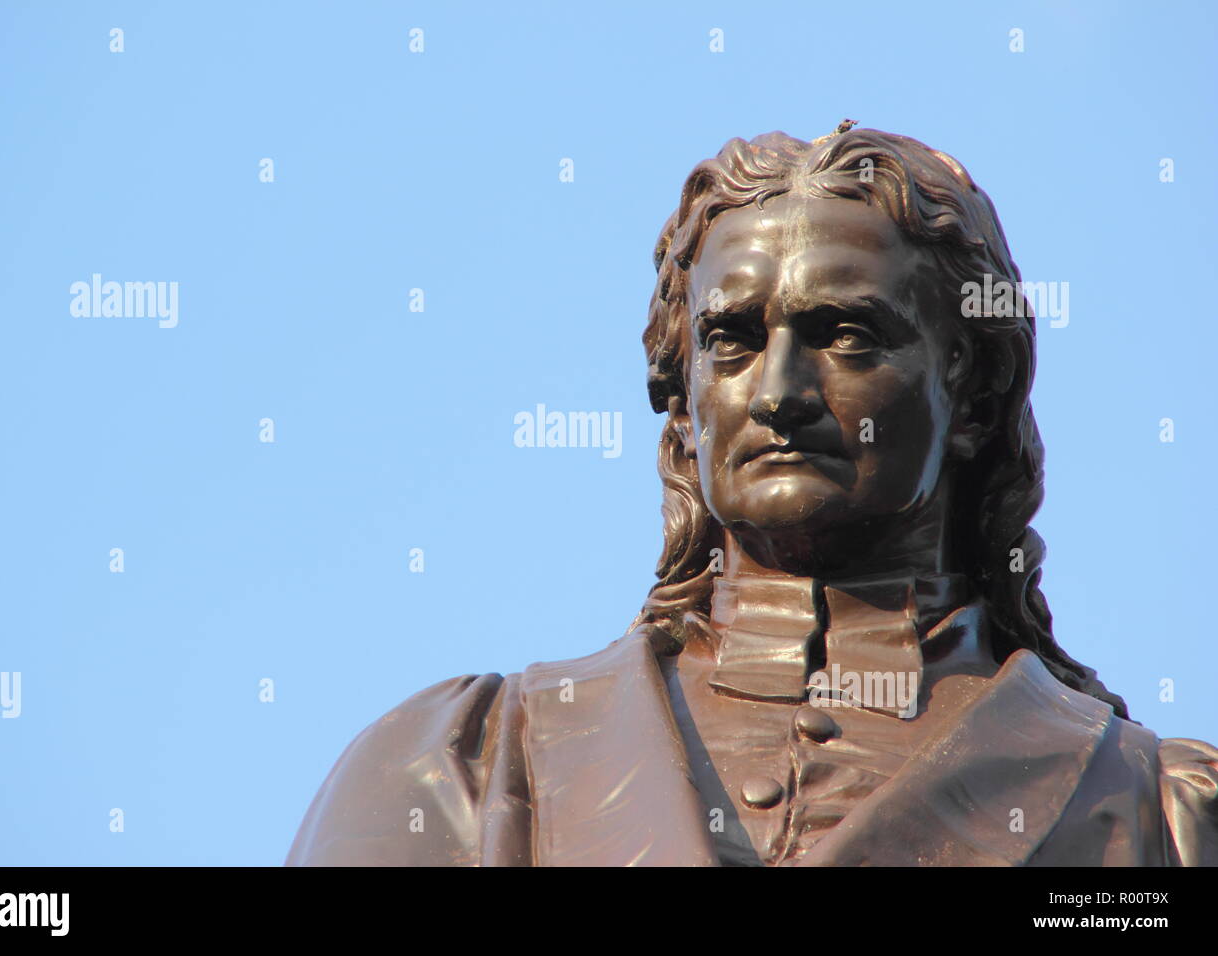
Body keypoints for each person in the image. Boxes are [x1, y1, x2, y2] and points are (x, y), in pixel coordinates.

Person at [286, 126, 1218, 866]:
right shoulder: (461, 775)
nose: (778, 392)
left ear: (971, 395)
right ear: (683, 405)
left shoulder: (1161, 819)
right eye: (730, 338)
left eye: (847, 334)